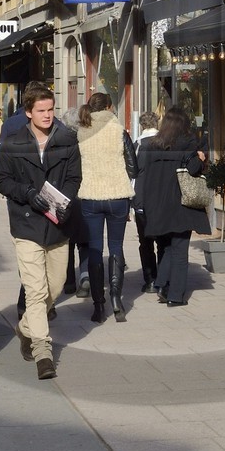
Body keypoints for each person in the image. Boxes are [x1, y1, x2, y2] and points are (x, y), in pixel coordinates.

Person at [0, 86, 82, 379]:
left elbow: (74, 177)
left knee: (55, 287)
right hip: (27, 223)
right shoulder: (13, 143)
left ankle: (25, 328)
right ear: (28, 112)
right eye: (41, 110)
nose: (47, 115)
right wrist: (28, 193)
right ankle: (43, 351)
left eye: (51, 109)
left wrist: (65, 201)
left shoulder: (68, 140)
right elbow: (3, 180)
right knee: (35, 289)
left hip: (59, 224)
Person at [135, 107, 207, 307]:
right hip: (181, 202)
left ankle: (161, 285)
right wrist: (200, 160)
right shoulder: (188, 143)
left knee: (166, 246)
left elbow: (146, 174)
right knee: (180, 249)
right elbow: (192, 169)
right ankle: (175, 295)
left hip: (158, 202)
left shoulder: (153, 144)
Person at [74, 92, 135, 323]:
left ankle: (98, 306)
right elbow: (134, 167)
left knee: (95, 249)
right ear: (109, 107)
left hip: (90, 196)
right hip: (118, 196)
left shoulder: (81, 132)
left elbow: (76, 166)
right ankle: (117, 300)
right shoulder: (119, 130)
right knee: (116, 246)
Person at [131, 110, 161, 292]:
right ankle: (163, 278)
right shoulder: (165, 143)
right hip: (161, 195)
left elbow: (131, 172)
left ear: (142, 125)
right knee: (163, 241)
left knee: (145, 241)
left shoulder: (137, 145)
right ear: (157, 123)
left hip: (141, 196)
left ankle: (150, 279)